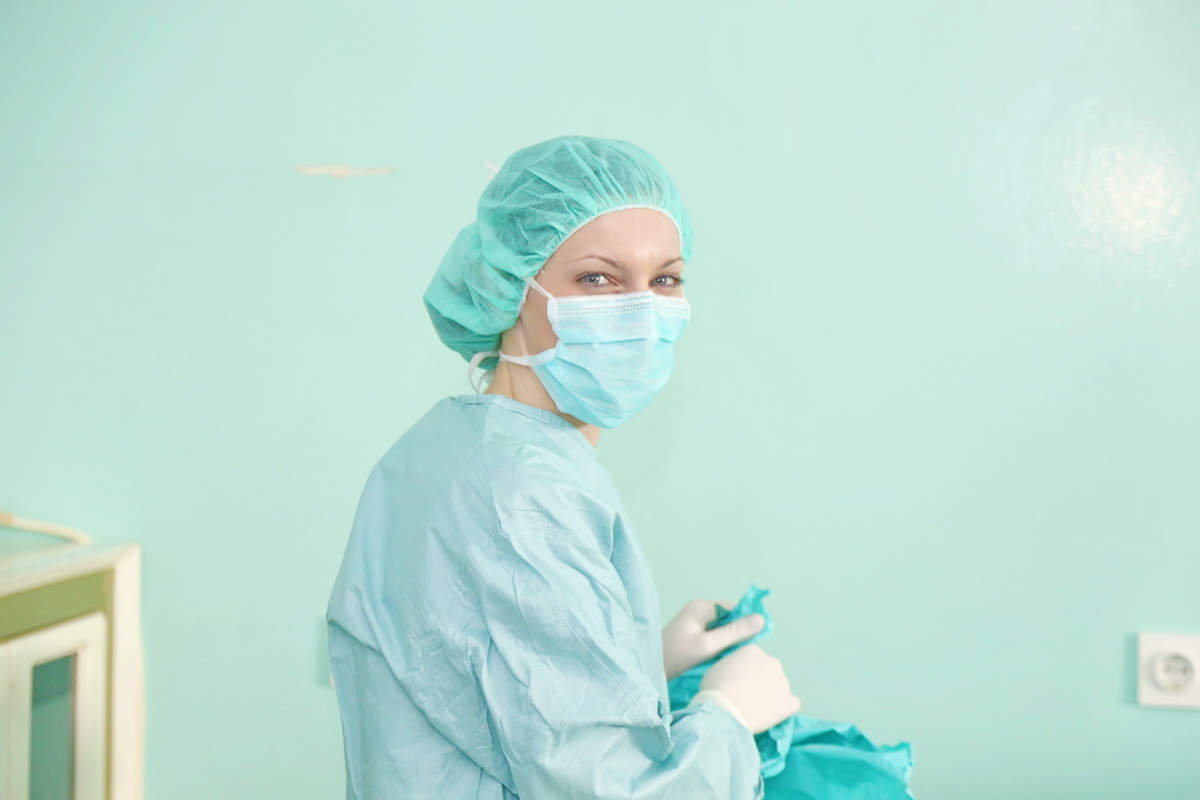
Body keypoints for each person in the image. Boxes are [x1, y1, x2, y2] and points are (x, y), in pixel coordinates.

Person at [326, 134, 801, 799]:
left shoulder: (453, 447)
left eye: (665, 279)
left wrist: (642, 662)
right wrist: (729, 717)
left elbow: (486, 678)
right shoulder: (522, 497)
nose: (641, 311)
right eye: (597, 279)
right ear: (510, 290)